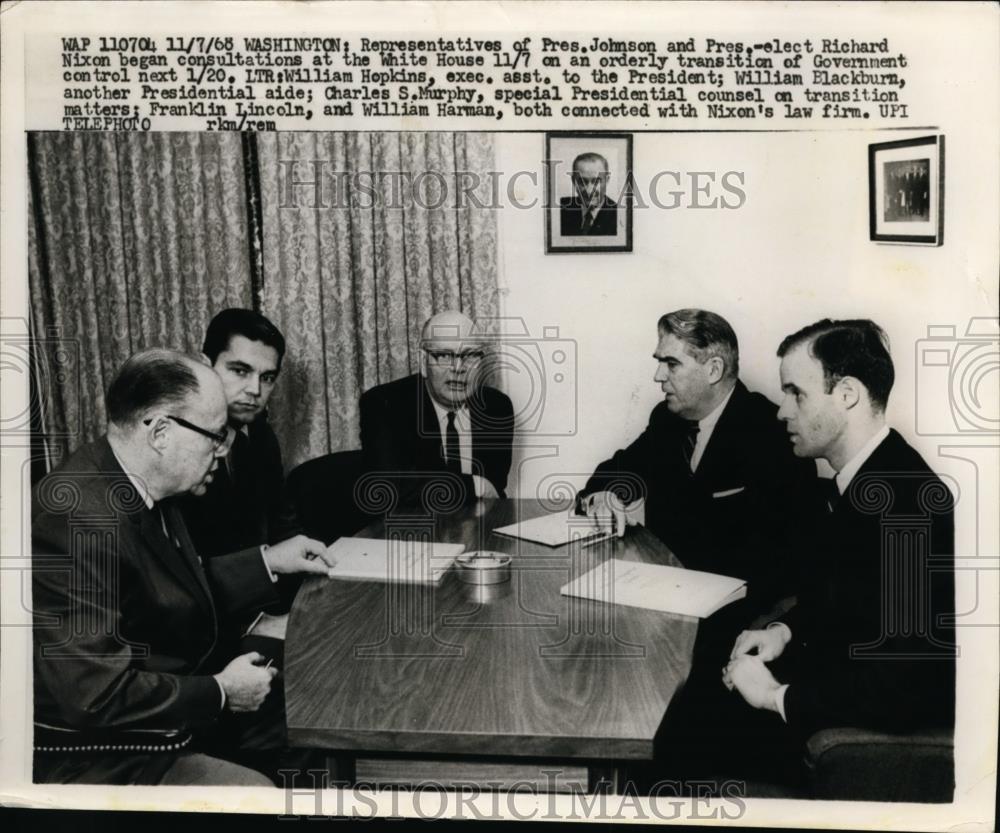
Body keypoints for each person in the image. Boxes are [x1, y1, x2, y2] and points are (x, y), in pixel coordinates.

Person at [660, 319, 956, 792]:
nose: (781, 412)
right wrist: (784, 630)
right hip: (830, 682)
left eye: (796, 393)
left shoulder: (908, 506)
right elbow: (849, 603)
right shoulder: (867, 478)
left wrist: (775, 696)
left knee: (673, 734)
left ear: (848, 395)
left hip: (846, 718)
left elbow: (905, 685)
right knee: (684, 697)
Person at [32, 349, 334, 785]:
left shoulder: (141, 483)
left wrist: (267, 561)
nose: (221, 451)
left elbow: (166, 593)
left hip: (166, 701)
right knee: (262, 792)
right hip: (105, 751)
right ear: (160, 431)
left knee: (314, 698)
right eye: (215, 435)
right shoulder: (74, 520)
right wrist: (221, 692)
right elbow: (92, 693)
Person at [578, 309, 818, 624]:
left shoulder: (775, 433)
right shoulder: (666, 420)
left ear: (713, 370)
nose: (658, 376)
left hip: (738, 618)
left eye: (671, 364)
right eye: (659, 362)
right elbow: (615, 472)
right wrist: (604, 497)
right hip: (660, 608)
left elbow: (793, 562)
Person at [181, 309, 302, 624]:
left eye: (267, 377)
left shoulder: (260, 433)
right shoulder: (177, 445)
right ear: (205, 365)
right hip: (204, 623)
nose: (255, 391)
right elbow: (179, 577)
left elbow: (282, 527)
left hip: (262, 604)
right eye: (239, 370)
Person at [359, 310, 514, 509]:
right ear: (423, 362)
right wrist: (473, 485)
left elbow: (494, 487)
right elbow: (385, 485)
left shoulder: (497, 407)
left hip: (476, 529)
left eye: (469, 356)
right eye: (444, 355)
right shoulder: (385, 403)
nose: (458, 368)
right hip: (410, 532)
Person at [559, 152, 619, 236]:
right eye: (582, 182)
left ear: (607, 180)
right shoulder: (559, 210)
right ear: (573, 181)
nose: (589, 191)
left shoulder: (621, 217)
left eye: (596, 181)